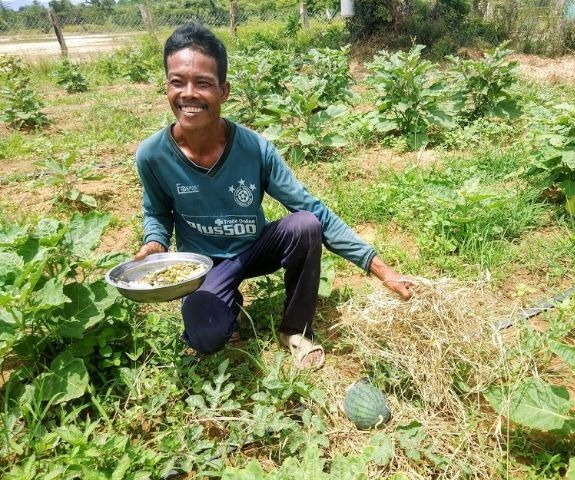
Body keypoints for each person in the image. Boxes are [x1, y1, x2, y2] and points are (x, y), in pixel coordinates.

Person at [133, 22, 412, 368]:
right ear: (167, 87)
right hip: (202, 265)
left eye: (203, 83)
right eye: (178, 82)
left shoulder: (254, 149)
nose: (188, 93)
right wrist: (156, 243)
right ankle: (225, 302)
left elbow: (311, 208)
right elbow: (157, 213)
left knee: (306, 225)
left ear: (224, 91)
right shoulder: (152, 155)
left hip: (252, 249)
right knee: (206, 336)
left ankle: (295, 330)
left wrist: (380, 269)